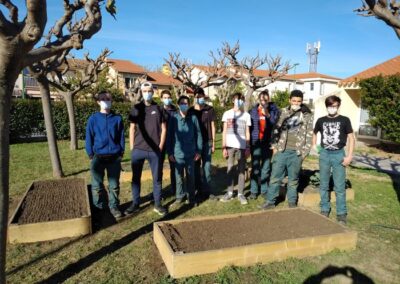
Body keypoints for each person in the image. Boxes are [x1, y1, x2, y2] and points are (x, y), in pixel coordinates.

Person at [260, 90, 314, 209]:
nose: (296, 103)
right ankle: (270, 201)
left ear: (301, 102)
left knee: (293, 179)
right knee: (275, 178)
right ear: (289, 100)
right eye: (294, 100)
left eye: (298, 101)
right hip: (281, 151)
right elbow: (275, 129)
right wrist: (274, 147)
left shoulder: (307, 115)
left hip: (296, 152)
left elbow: (309, 135)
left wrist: (303, 153)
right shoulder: (283, 112)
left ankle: (292, 202)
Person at [126, 82, 167, 216]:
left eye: (149, 91)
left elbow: (164, 128)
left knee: (157, 178)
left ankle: (157, 204)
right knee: (135, 178)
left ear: (153, 92)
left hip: (155, 151)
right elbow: (132, 128)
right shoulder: (136, 108)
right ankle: (136, 203)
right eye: (144, 91)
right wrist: (132, 147)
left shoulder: (159, 108)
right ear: (141, 92)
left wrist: (160, 146)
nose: (147, 93)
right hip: (138, 149)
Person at [312, 95, 355, 225]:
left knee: (339, 186)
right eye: (330, 106)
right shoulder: (321, 120)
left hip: (339, 154)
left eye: (334, 106)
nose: (332, 108)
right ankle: (325, 208)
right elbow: (314, 133)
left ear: (338, 106)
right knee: (324, 184)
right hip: (324, 154)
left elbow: (351, 138)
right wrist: (315, 146)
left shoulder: (345, 120)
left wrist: (349, 156)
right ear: (327, 106)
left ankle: (341, 213)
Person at [85, 91, 125, 219]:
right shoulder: (93, 119)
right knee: (97, 186)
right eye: (103, 99)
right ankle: (99, 207)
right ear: (98, 102)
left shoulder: (117, 119)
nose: (106, 101)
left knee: (114, 186)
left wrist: (121, 153)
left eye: (108, 99)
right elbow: (89, 138)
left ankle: (113, 206)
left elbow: (121, 137)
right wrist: (91, 154)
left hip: (114, 158)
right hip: (98, 157)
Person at [167, 95, 202, 206]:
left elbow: (198, 134)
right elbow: (169, 136)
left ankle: (191, 197)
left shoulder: (193, 118)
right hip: (178, 154)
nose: (184, 105)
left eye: (186, 103)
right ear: (178, 105)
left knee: (191, 177)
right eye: (182, 103)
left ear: (189, 105)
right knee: (179, 177)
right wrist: (170, 152)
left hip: (191, 153)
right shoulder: (173, 118)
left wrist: (199, 151)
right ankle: (179, 197)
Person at [220, 92, 251, 205]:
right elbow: (224, 132)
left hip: (242, 147)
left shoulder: (246, 115)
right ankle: (229, 192)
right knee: (230, 169)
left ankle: (241, 194)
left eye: (241, 100)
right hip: (229, 146)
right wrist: (224, 147)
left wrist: (248, 147)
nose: (239, 102)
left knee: (241, 170)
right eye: (237, 99)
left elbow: (247, 132)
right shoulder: (227, 114)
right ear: (233, 100)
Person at [249, 90, 280, 200]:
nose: (263, 102)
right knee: (255, 167)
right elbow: (250, 127)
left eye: (265, 100)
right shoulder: (253, 111)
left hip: (267, 143)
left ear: (269, 100)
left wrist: (267, 113)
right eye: (261, 99)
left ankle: (264, 190)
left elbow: (274, 124)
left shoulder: (274, 111)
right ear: (258, 99)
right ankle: (253, 191)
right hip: (256, 142)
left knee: (266, 168)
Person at [188, 87, 216, 199]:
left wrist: (213, 143)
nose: (199, 98)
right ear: (194, 97)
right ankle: (198, 190)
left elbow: (213, 126)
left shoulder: (210, 109)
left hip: (207, 142)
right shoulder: (190, 111)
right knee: (195, 168)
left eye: (201, 96)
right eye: (197, 96)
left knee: (207, 167)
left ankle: (207, 191)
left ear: (204, 96)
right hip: (194, 144)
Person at [160, 89, 177, 195]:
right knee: (158, 167)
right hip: (161, 142)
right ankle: (159, 191)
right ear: (161, 99)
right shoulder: (158, 110)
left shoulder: (175, 111)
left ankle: (175, 189)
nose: (167, 99)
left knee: (174, 167)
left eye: (168, 97)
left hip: (173, 142)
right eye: (165, 98)